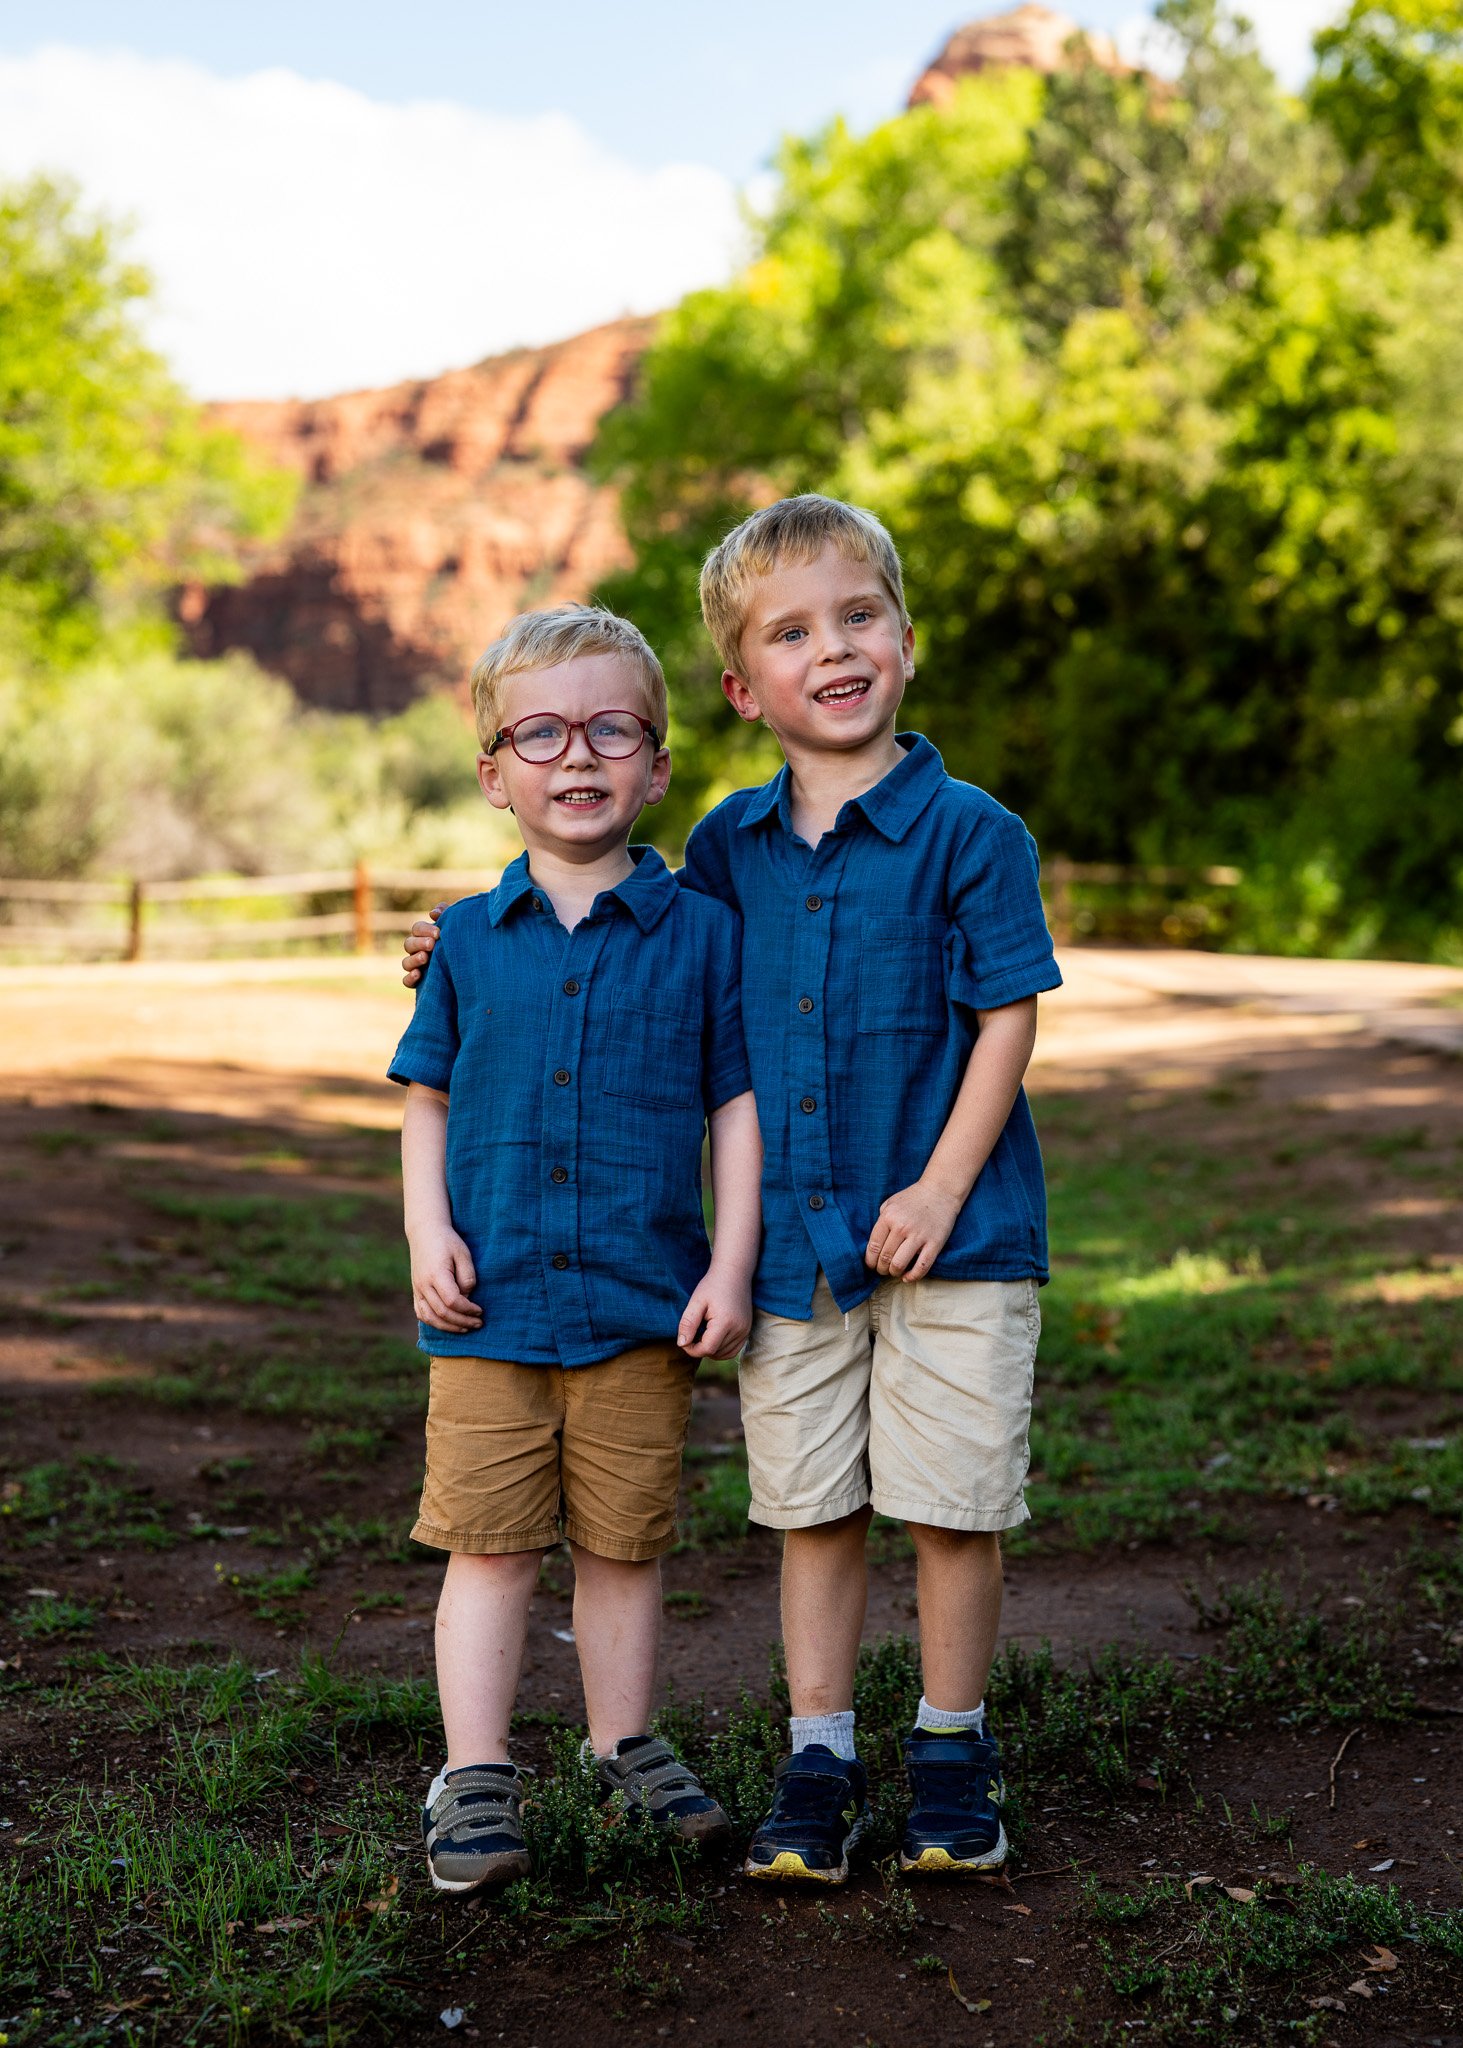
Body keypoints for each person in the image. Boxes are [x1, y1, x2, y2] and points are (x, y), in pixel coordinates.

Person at [404, 496, 1061, 1887]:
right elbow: (596, 890)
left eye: (859, 616)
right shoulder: (725, 851)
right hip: (794, 1260)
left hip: (959, 1237)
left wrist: (944, 1188)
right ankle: (819, 1752)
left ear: (905, 639)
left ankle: (952, 1741)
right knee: (812, 1508)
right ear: (740, 686)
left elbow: (1008, 1017)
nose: (834, 650)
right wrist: (452, 939)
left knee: (952, 1504)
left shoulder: (975, 834)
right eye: (791, 632)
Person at [391, 603, 762, 1894]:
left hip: (642, 1303)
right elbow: (426, 1096)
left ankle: (622, 1744)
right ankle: (475, 1771)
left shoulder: (708, 934)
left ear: (658, 764)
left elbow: (736, 1108)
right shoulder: (462, 940)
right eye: (538, 733)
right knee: (487, 1545)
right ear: (495, 773)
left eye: (613, 727)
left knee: (622, 1544)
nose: (577, 755)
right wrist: (428, 1227)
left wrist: (730, 1263)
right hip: (489, 1305)